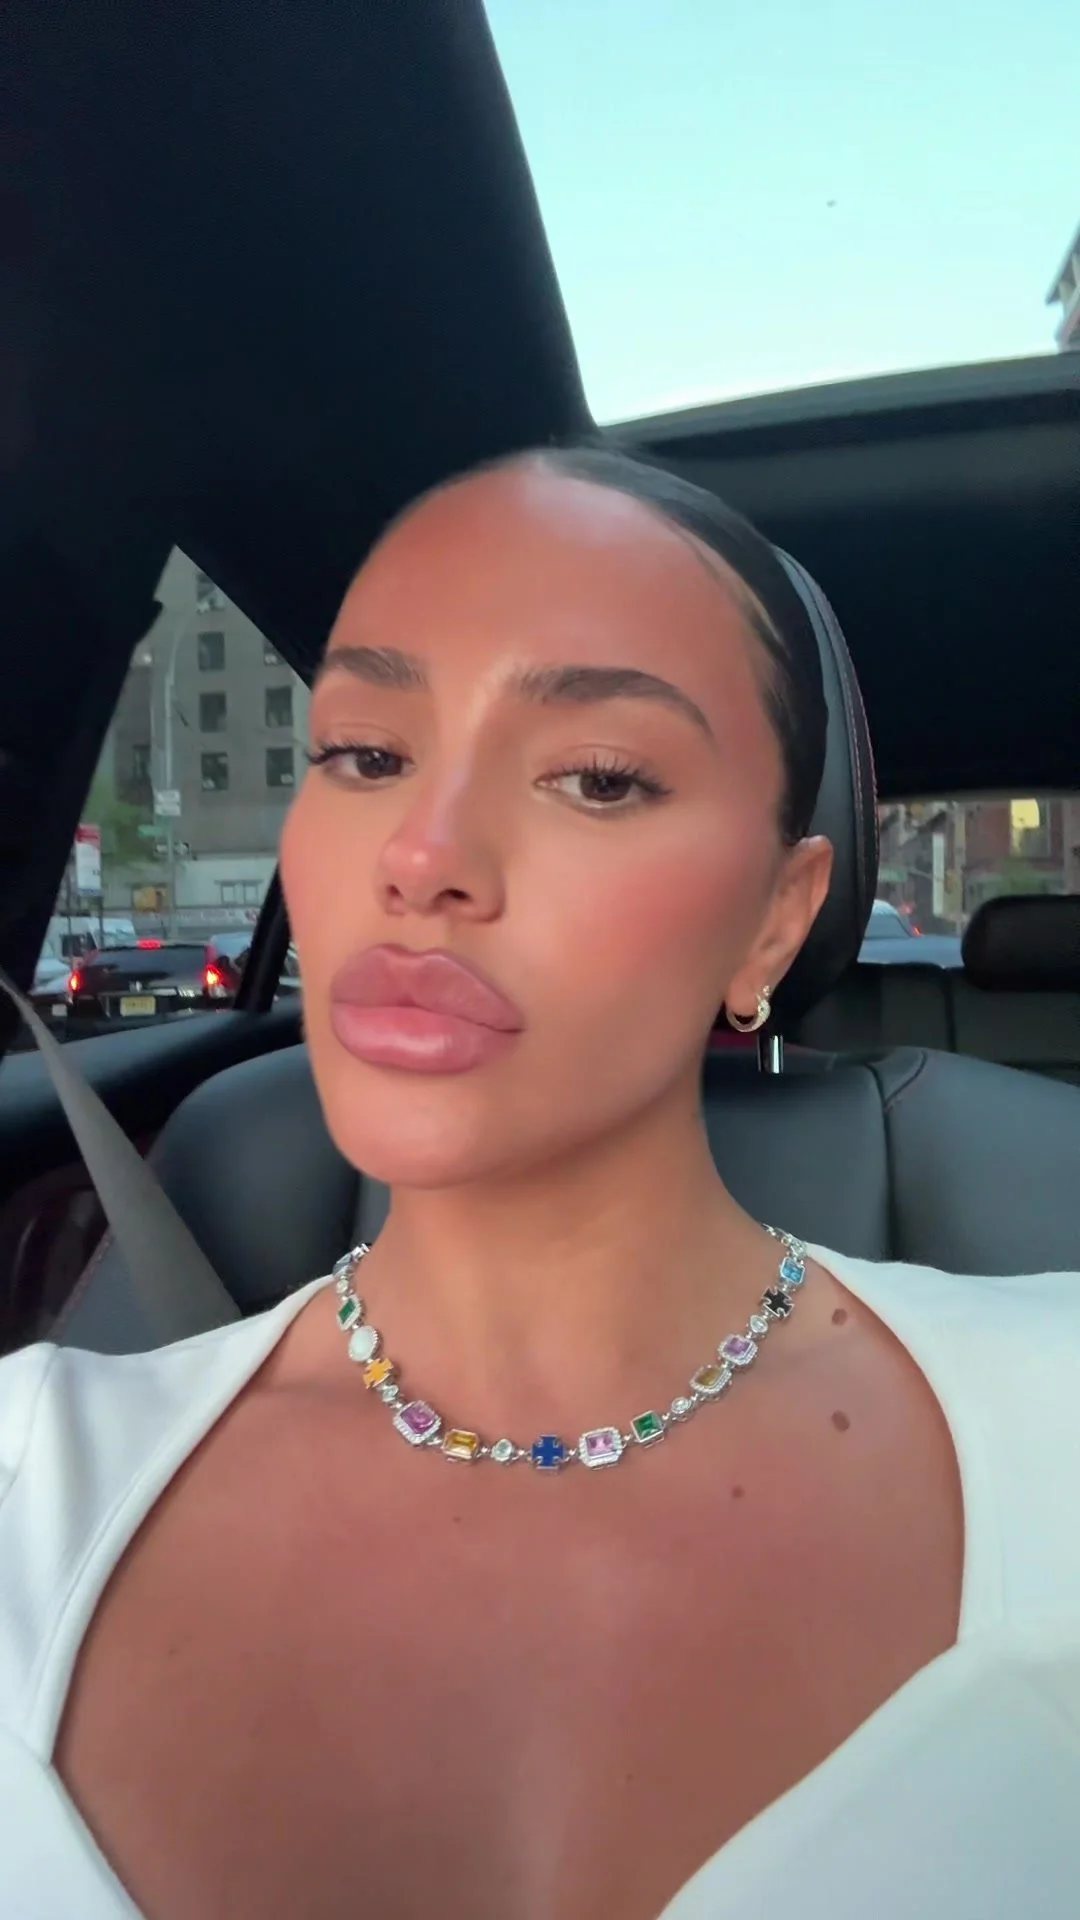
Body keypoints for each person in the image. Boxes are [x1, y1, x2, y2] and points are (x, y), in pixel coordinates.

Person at [1, 447, 1078, 1920]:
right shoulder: (26, 1475)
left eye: (599, 777)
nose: (421, 855)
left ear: (775, 921)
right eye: (366, 755)